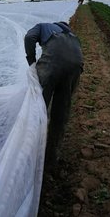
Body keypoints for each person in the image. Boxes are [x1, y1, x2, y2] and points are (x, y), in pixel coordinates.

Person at [24, 21, 83, 168]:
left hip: (53, 60)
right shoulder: (72, 35)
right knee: (61, 111)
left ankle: (30, 149)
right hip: (76, 65)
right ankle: (51, 158)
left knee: (39, 103)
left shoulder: (43, 26)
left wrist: (31, 61)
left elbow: (29, 37)